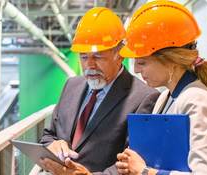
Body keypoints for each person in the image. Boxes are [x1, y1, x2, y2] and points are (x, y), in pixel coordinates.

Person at [115, 1, 207, 174]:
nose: (136, 70)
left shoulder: (198, 101)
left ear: (170, 60)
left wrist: (145, 171)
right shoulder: (165, 97)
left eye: (142, 62)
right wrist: (133, 163)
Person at [39, 7, 160, 174]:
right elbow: (48, 135)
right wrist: (53, 145)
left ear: (120, 55)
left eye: (97, 56)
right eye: (83, 57)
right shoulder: (71, 86)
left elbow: (132, 163)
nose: (89, 65)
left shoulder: (145, 98)